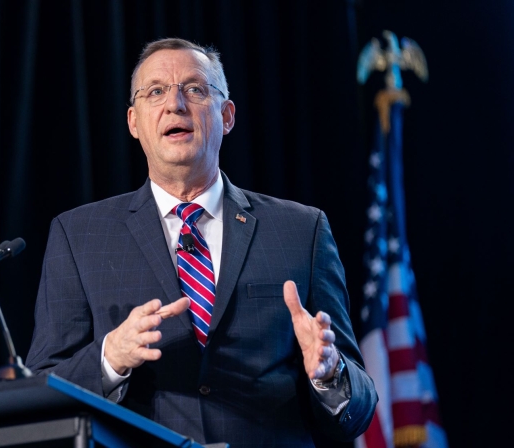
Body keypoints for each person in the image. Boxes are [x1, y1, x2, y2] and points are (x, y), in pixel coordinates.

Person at [26, 38, 377, 447]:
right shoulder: (80, 235)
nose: (175, 104)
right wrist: (110, 359)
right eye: (155, 91)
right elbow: (42, 391)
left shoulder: (302, 230)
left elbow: (362, 409)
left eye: (194, 89)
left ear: (227, 116)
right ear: (134, 122)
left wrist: (330, 373)